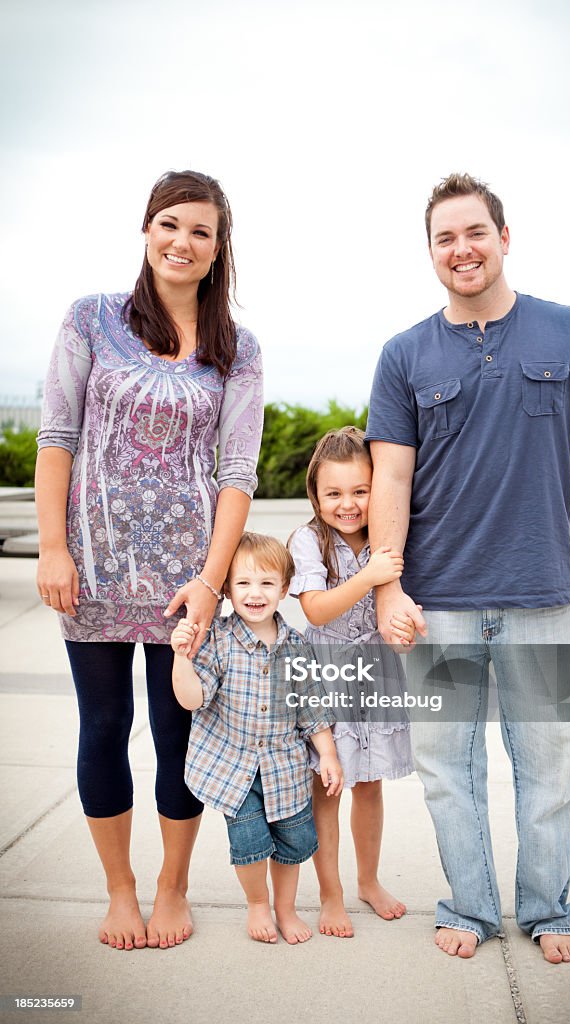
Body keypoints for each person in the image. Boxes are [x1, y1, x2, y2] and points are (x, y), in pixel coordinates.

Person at [365, 173, 570, 964]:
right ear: (431, 253)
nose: (462, 249)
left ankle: (550, 908)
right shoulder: (404, 354)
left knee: (549, 766)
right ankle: (471, 908)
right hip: (437, 600)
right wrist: (389, 585)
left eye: (474, 231)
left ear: (504, 237)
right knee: (450, 772)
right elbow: (390, 478)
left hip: (542, 594)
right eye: (445, 238)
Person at [35, 170, 264, 952]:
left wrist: (209, 584)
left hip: (185, 587)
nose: (183, 241)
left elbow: (237, 474)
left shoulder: (238, 349)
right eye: (170, 223)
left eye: (202, 230)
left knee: (179, 736)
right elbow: (57, 438)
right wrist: (55, 550)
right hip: (92, 573)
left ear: (218, 247)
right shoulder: (91, 319)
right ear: (146, 230)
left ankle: (172, 887)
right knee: (104, 726)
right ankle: (121, 891)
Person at [171, 532, 343, 944]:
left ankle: (286, 908)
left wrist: (329, 756)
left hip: (285, 767)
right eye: (244, 583)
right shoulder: (217, 640)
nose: (255, 593)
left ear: (284, 589)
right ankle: (257, 904)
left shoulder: (297, 647)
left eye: (267, 583)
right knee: (248, 842)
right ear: (227, 589)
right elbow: (192, 699)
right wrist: (181, 659)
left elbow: (312, 708)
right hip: (234, 768)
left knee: (292, 839)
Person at [288, 426, 415, 939]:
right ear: (315, 495)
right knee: (328, 786)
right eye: (333, 493)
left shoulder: (387, 537)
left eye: (361, 491)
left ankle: (368, 880)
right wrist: (369, 576)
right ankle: (330, 893)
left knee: (369, 784)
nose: (348, 504)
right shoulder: (309, 540)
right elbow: (316, 611)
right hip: (327, 675)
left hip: (376, 672)